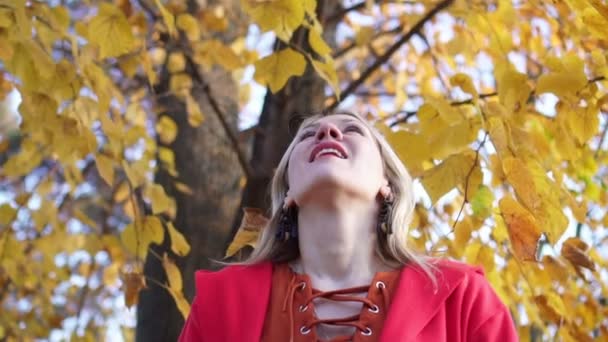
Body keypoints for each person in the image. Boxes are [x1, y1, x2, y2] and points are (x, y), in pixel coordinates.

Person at [178, 111, 518, 342]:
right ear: (288, 193)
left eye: (353, 130)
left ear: (387, 184)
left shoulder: (461, 297)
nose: (327, 132)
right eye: (307, 136)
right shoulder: (221, 302)